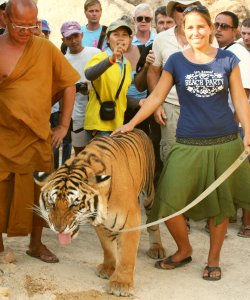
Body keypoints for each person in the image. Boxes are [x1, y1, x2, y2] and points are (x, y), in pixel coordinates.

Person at [113, 5, 250, 281]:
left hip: (224, 141)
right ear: (183, 32)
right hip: (187, 141)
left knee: (221, 205)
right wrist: (130, 124)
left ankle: (213, 259)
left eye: (201, 26)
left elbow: (239, 99)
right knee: (168, 200)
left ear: (211, 29)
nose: (196, 32)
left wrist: (248, 130)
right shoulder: (176, 60)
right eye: (190, 28)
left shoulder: (228, 60)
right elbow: (155, 98)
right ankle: (184, 249)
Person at [0, 0, 80, 262]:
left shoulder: (44, 48)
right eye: (19, 25)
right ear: (4, 19)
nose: (26, 31)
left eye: (31, 25)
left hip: (37, 138)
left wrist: (63, 125)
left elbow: (69, 83)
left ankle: (36, 244)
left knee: (41, 193)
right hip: (4, 137)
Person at [214, 11, 250, 237]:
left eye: (224, 26)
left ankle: (246, 222)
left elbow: (244, 93)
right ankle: (230, 217)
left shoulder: (236, 53)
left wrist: (235, 125)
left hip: (237, 122)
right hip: (229, 121)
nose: (218, 29)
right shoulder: (224, 51)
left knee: (242, 170)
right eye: (216, 24)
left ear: (233, 30)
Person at [83, 19, 132, 140]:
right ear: (107, 40)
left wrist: (139, 102)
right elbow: (89, 74)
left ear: (129, 40)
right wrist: (112, 59)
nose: (121, 38)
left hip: (118, 126)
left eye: (124, 35)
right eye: (116, 35)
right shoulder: (100, 57)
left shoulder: (127, 64)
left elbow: (121, 94)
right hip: (98, 126)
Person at [61, 21, 100, 155]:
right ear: (63, 40)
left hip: (98, 113)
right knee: (80, 155)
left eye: (76, 36)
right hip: (77, 115)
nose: (73, 41)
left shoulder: (96, 53)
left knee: (100, 154)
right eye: (69, 38)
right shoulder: (63, 61)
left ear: (82, 35)